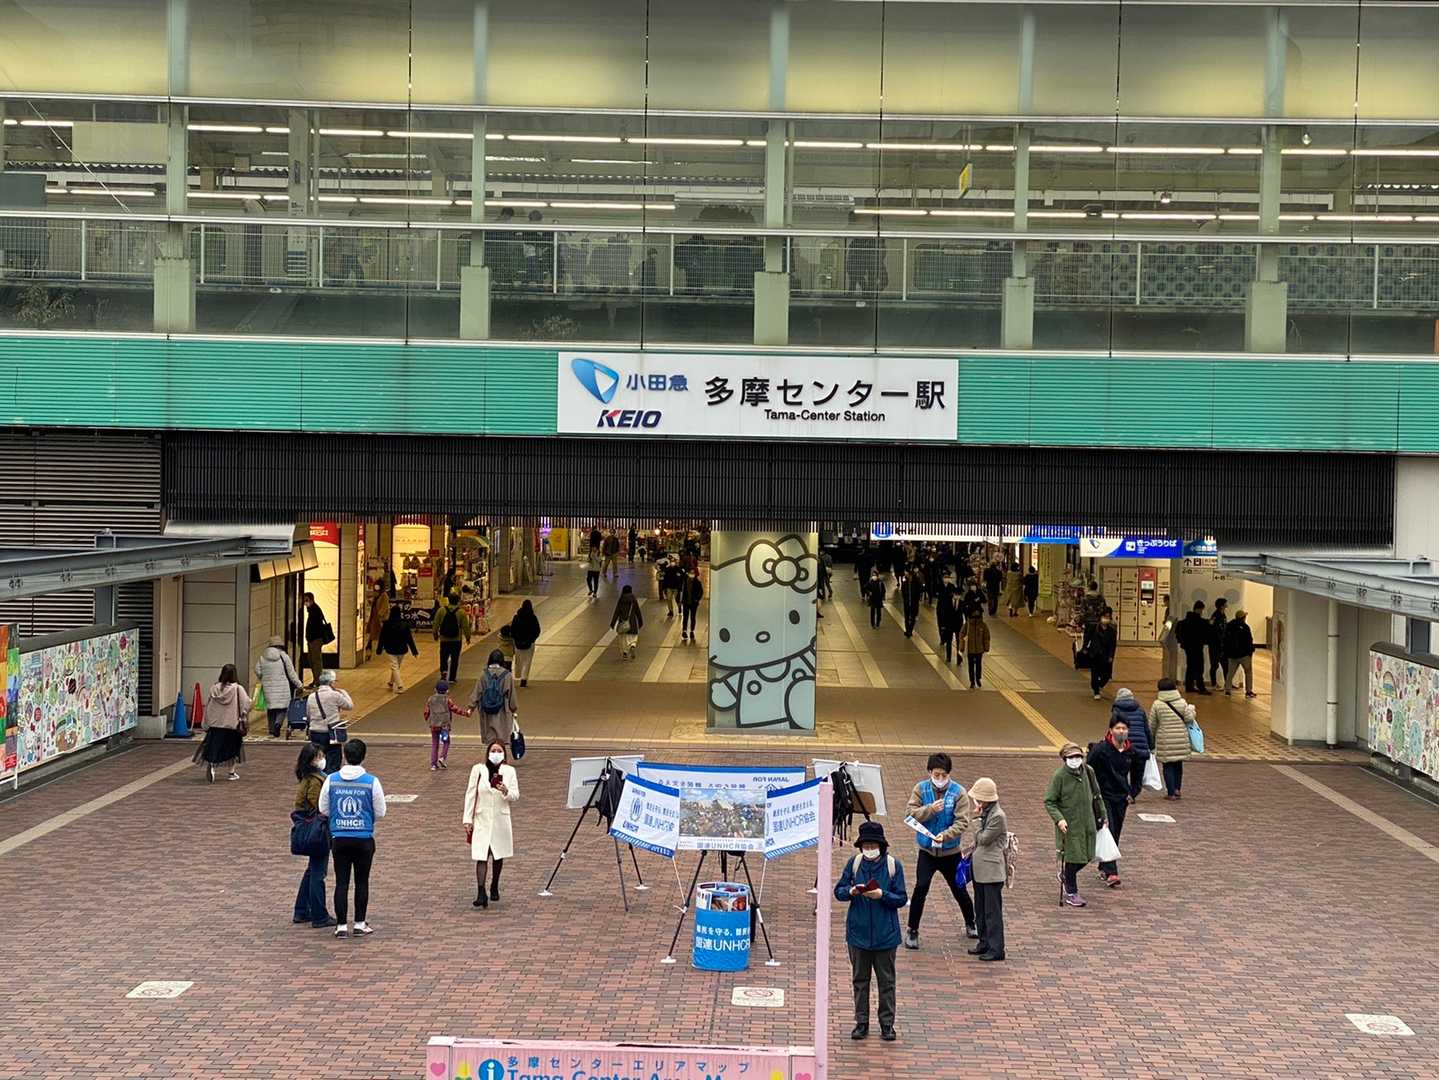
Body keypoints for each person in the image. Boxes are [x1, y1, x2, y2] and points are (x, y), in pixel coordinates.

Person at [834, 821, 907, 1042]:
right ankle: (861, 1022)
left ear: (881, 846)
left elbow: (901, 898)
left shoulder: (893, 866)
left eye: (872, 845)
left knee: (887, 983)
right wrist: (852, 891)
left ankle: (887, 1024)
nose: (869, 849)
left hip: (886, 936)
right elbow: (839, 891)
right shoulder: (854, 864)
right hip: (858, 935)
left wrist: (882, 895)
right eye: (865, 846)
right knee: (860, 980)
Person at [902, 752, 976, 948]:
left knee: (959, 888)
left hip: (950, 852)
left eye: (944, 775)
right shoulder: (921, 789)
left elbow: (962, 822)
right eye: (937, 774)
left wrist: (946, 835)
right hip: (927, 851)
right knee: (921, 887)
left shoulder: (958, 792)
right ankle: (912, 930)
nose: (940, 778)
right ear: (929, 772)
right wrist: (930, 810)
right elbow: (910, 814)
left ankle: (971, 922)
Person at [319, 738, 386, 937]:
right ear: (363, 756)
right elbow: (380, 811)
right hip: (363, 837)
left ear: (345, 756)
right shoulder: (371, 782)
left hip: (339, 837)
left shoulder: (331, 780)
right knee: (362, 882)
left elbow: (323, 808)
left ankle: (341, 926)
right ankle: (359, 923)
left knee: (341, 882)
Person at [1044, 742, 1105, 908]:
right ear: (1065, 759)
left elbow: (1097, 795)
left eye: (1078, 756)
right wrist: (1059, 819)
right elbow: (1049, 801)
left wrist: (1103, 815)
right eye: (1071, 757)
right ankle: (1072, 891)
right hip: (1069, 825)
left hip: (1088, 823)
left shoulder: (1088, 771)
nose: (1075, 760)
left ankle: (1066, 875)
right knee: (1072, 856)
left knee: (1088, 855)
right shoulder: (1059, 776)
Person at [464, 739, 520, 908]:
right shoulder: (478, 770)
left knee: (497, 854)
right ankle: (481, 892)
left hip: (500, 819)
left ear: (504, 753)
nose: (496, 754)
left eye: (499, 751)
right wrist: (467, 819)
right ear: (488, 753)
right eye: (493, 751)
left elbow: (515, 795)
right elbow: (471, 794)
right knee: (482, 854)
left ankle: (494, 884)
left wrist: (505, 790)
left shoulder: (509, 771)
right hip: (482, 818)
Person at [1087, 716, 1134, 887]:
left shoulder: (1130, 751)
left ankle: (1104, 865)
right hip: (1103, 796)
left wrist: (1132, 792)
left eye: (1124, 728)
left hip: (1121, 798)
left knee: (1116, 832)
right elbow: (1088, 770)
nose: (1121, 731)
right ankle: (1112, 872)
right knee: (1109, 829)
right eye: (1118, 728)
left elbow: (1138, 772)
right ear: (1111, 730)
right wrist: (1092, 793)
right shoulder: (1100, 750)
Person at [292, 743, 335, 928]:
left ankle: (302, 910)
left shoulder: (307, 778)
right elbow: (320, 805)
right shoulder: (316, 780)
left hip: (310, 828)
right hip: (317, 831)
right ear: (311, 760)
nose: (322, 759)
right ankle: (319, 915)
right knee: (318, 872)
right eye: (319, 757)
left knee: (312, 870)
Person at [967, 777, 1007, 962]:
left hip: (991, 872)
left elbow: (983, 838)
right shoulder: (987, 813)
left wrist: (976, 819)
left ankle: (996, 948)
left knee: (992, 912)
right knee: (981, 909)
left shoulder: (998, 816)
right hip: (980, 870)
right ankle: (984, 942)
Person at [195, 663, 251, 783]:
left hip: (216, 725)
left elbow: (209, 705)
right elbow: (245, 704)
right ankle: (231, 773)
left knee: (214, 747)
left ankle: (212, 765)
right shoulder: (237, 689)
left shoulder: (214, 688)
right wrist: (244, 712)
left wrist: (206, 721)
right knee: (233, 749)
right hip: (232, 725)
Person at [1149, 677, 1194, 799]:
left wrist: (1151, 738)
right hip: (1181, 738)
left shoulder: (1157, 704)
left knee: (1167, 766)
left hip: (1165, 740)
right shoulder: (1182, 702)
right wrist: (1191, 710)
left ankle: (1170, 793)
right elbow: (1189, 718)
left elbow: (1152, 724)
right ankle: (1177, 789)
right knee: (1178, 765)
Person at [306, 670, 354, 773]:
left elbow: (308, 715)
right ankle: (330, 780)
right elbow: (349, 706)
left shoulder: (311, 696)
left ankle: (319, 779)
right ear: (331, 682)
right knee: (333, 761)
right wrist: (344, 693)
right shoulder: (335, 695)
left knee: (317, 760)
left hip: (315, 732)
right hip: (332, 733)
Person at [471, 649, 518, 748]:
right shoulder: (507, 675)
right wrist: (513, 709)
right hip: (503, 708)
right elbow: (511, 694)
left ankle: (491, 751)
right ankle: (501, 752)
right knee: (502, 733)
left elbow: (477, 691)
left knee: (490, 734)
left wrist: (471, 707)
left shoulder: (483, 674)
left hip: (486, 708)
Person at [255, 634, 301, 739]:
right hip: (282, 687)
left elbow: (257, 670)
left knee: (271, 709)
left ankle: (271, 730)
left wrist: (264, 677)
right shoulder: (283, 656)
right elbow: (291, 673)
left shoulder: (263, 657)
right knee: (283, 708)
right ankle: (278, 724)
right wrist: (299, 684)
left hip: (267, 686)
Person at [1112, 688, 1151, 799]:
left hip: (1124, 745)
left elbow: (1114, 728)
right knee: (1137, 773)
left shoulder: (1116, 710)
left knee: (1121, 771)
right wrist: (1151, 745)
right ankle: (1133, 794)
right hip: (1141, 745)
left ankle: (1126, 792)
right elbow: (1146, 729)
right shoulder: (1140, 710)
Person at [425, 679, 471, 771]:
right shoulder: (447, 700)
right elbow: (455, 709)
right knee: (446, 742)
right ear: (447, 691)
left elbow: (426, 712)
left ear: (435, 689)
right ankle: (442, 757)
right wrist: (466, 713)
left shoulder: (430, 699)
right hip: (444, 726)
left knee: (435, 744)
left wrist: (429, 720)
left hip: (434, 726)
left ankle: (433, 765)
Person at [377, 604, 419, 693]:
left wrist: (379, 649)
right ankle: (391, 682)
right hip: (402, 649)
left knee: (395, 666)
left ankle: (400, 686)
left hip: (390, 649)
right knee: (396, 666)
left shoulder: (387, 624)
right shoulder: (404, 624)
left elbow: (382, 638)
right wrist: (414, 651)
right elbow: (409, 639)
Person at [433, 592, 472, 684]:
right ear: (458, 601)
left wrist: (435, 634)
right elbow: (465, 626)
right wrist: (468, 637)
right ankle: (452, 678)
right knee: (455, 658)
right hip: (456, 640)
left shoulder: (441, 610)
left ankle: (444, 673)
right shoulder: (461, 612)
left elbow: (436, 624)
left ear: (449, 600)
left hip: (444, 639)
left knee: (443, 657)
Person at [1177, 600, 1211, 695]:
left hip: (1188, 647)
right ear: (1199, 609)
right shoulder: (1198, 621)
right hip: (1197, 646)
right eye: (1201, 610)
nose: (1202, 612)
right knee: (1199, 667)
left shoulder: (1186, 621)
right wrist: (1208, 623)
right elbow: (1202, 627)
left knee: (1190, 666)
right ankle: (1201, 687)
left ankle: (1189, 686)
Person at [1224, 609, 1257, 697]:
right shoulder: (1245, 627)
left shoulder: (1229, 625)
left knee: (1230, 673)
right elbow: (1249, 641)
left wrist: (1227, 652)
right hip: (1244, 655)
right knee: (1248, 672)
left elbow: (1225, 639)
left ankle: (1227, 690)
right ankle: (1248, 691)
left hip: (1232, 655)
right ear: (1243, 618)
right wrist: (1250, 652)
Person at [301, 592, 331, 687]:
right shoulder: (312, 610)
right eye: (304, 600)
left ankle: (318, 681)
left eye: (306, 600)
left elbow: (314, 626)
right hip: (312, 639)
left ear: (311, 600)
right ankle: (316, 680)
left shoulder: (315, 610)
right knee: (311, 660)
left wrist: (310, 637)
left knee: (316, 661)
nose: (305, 603)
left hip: (315, 640)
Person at [510, 599, 541, 687]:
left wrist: (515, 639)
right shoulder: (533, 618)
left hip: (518, 643)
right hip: (529, 644)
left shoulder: (516, 617)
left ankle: (518, 674)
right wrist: (532, 639)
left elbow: (512, 630)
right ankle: (524, 678)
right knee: (527, 661)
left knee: (519, 660)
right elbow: (537, 630)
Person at [1088, 610, 1118, 700]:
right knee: (1095, 673)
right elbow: (1087, 638)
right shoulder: (1094, 628)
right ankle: (1096, 691)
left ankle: (1099, 685)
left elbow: (1113, 645)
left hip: (1106, 655)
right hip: (1095, 654)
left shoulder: (1112, 631)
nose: (1106, 619)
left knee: (1107, 674)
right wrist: (1085, 648)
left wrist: (1111, 656)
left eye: (1108, 617)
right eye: (1105, 617)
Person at [610, 583, 644, 660]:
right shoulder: (633, 599)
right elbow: (637, 611)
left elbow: (617, 612)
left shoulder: (621, 599)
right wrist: (640, 622)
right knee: (633, 637)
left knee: (623, 639)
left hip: (623, 622)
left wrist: (613, 623)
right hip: (632, 623)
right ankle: (632, 646)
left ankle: (625, 653)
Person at [963, 606, 990, 689]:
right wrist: (962, 646)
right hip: (970, 648)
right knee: (971, 665)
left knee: (978, 664)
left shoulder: (982, 625)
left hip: (979, 649)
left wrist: (986, 647)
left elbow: (986, 637)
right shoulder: (967, 625)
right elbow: (962, 634)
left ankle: (978, 678)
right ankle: (972, 680)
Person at [936, 576, 961, 664]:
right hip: (949, 625)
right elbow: (945, 614)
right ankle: (948, 657)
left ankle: (959, 658)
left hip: (958, 625)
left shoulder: (962, 603)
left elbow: (965, 614)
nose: (956, 596)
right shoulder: (948, 603)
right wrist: (944, 624)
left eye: (958, 595)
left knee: (959, 643)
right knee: (949, 642)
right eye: (955, 595)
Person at [365, 581, 390, 661]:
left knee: (376, 635)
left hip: (379, 619)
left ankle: (370, 650)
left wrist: (380, 615)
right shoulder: (377, 595)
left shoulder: (384, 595)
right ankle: (369, 649)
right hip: (374, 618)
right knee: (372, 635)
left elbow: (384, 607)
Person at [1208, 597, 1229, 690]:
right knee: (1214, 665)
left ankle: (1227, 683)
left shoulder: (1223, 615)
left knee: (1225, 665)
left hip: (1222, 644)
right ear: (1221, 605)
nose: (1227, 605)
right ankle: (1213, 684)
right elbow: (1214, 630)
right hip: (1215, 645)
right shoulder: (1215, 616)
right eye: (1225, 603)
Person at [680, 565, 704, 643]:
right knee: (685, 617)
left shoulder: (697, 582)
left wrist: (697, 599)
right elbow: (682, 591)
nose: (692, 574)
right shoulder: (685, 581)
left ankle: (692, 631)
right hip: (686, 602)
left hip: (693, 603)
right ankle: (684, 631)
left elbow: (701, 592)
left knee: (693, 617)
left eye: (693, 573)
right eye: (691, 573)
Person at [1159, 604, 1180, 683]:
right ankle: (1170, 679)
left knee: (1169, 662)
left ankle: (1169, 679)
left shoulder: (1170, 620)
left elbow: (1165, 632)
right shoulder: (1173, 620)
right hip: (1172, 643)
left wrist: (1162, 640)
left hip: (1169, 643)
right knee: (1171, 662)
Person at [899, 567, 922, 637]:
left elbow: (919, 592)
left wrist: (917, 600)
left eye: (908, 574)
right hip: (906, 603)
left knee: (913, 618)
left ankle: (910, 630)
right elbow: (903, 592)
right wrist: (905, 599)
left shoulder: (916, 582)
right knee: (906, 618)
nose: (907, 576)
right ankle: (907, 630)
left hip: (914, 603)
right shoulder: (904, 583)